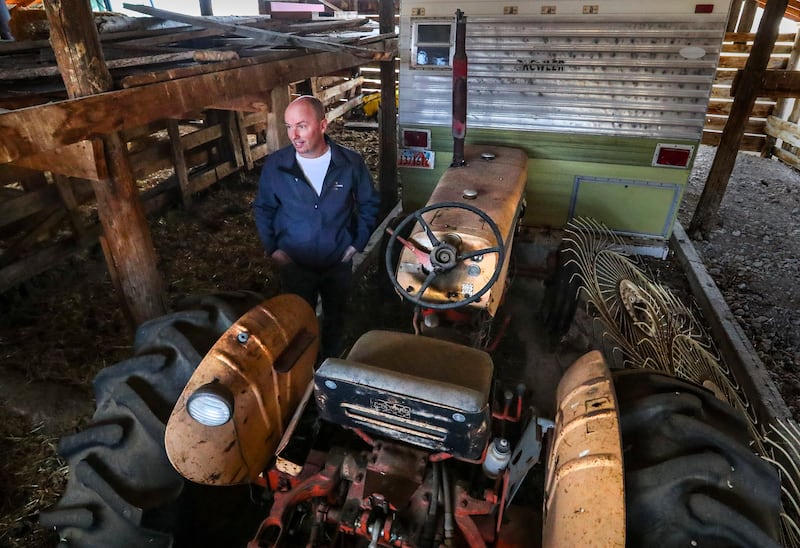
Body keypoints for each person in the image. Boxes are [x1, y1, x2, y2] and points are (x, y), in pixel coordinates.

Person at [254, 95, 380, 359]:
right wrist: (274, 249)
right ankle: (304, 372)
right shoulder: (277, 166)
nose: (294, 135)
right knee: (298, 321)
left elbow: (369, 203)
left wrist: (356, 244)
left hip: (337, 260)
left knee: (336, 317)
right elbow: (264, 208)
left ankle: (329, 367)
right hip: (295, 262)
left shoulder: (349, 163)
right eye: (289, 127)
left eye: (301, 125)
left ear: (323, 125)